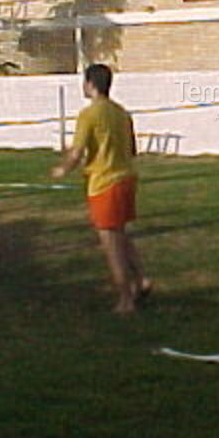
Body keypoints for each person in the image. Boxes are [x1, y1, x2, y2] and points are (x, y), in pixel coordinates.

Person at [51, 64, 151, 314]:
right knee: (122, 235)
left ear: (90, 84)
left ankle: (125, 298)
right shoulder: (121, 113)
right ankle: (142, 279)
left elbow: (76, 152)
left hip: (105, 182)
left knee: (110, 243)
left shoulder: (89, 114)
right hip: (127, 178)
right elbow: (133, 149)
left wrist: (62, 169)